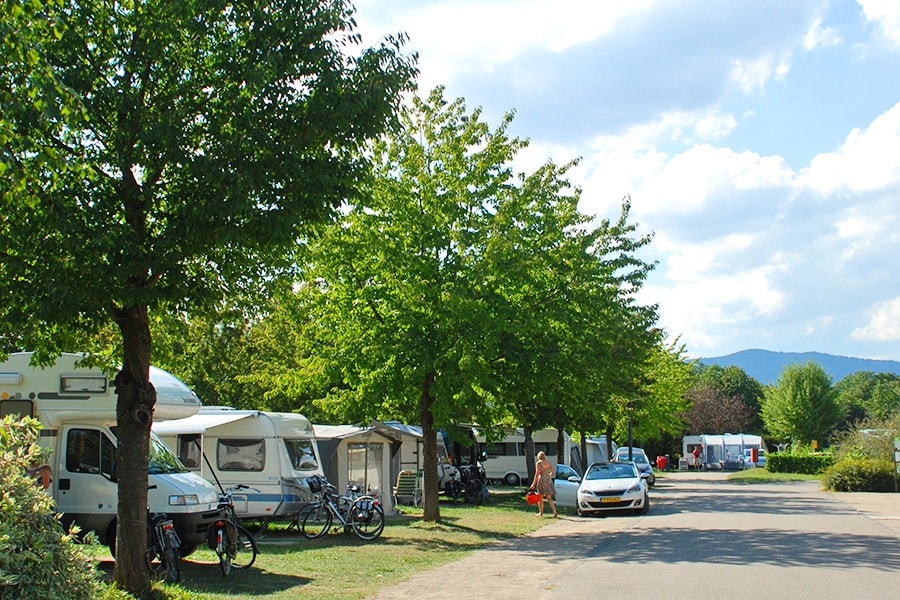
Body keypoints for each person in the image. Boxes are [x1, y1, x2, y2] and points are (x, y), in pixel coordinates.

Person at [529, 451, 557, 518]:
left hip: (541, 480)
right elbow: (553, 472)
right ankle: (554, 511)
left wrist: (533, 483)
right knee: (549, 497)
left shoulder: (539, 463)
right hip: (548, 481)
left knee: (540, 497)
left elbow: (537, 474)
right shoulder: (548, 462)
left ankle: (541, 512)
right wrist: (549, 475)